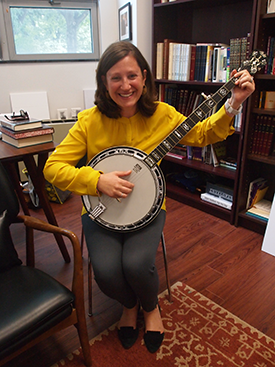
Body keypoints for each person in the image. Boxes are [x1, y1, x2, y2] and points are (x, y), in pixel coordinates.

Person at [43, 41, 255, 353]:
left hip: (148, 209)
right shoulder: (89, 121)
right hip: (102, 212)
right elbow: (52, 168)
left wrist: (234, 103)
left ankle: (150, 308)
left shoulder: (162, 115)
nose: (125, 85)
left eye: (132, 76)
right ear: (104, 82)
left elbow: (204, 133)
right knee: (105, 271)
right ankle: (129, 305)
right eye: (115, 77)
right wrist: (96, 180)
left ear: (144, 77)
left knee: (137, 264)